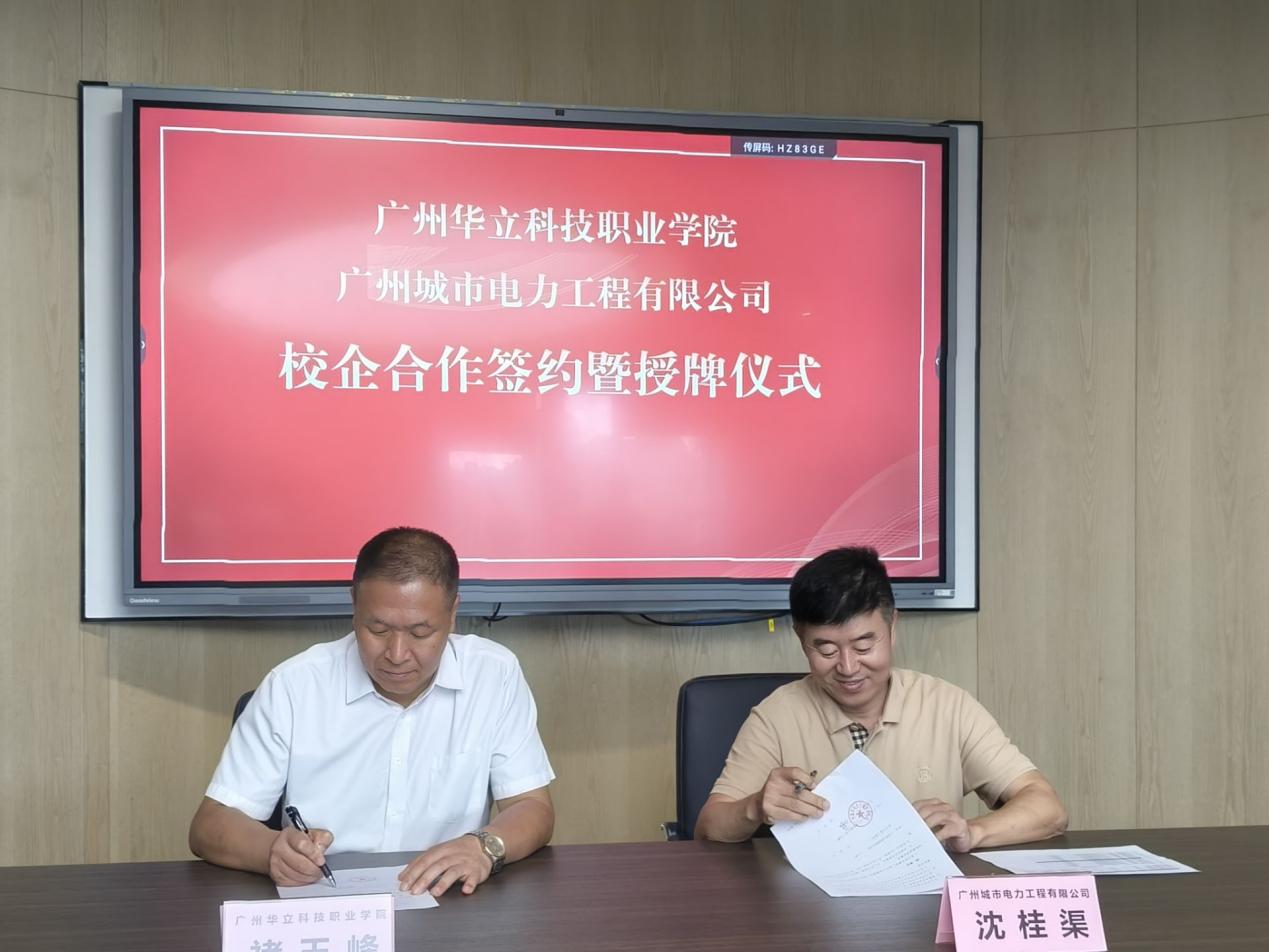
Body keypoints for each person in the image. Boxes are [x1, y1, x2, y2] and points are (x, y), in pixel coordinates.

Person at [189, 527, 555, 896]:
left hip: (447, 898)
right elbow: (210, 826)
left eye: (420, 633)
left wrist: (484, 847)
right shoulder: (294, 686)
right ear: (354, 605)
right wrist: (271, 850)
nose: (396, 654)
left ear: (452, 613)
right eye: (377, 629)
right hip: (325, 898)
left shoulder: (494, 675)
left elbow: (531, 806)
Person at [695, 546, 1067, 850]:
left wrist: (973, 832)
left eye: (863, 645)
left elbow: (1046, 807)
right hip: (811, 907)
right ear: (800, 639)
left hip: (924, 905)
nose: (847, 667)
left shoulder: (947, 706)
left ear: (892, 627)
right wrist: (754, 807)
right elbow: (708, 828)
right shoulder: (776, 716)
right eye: (826, 649)